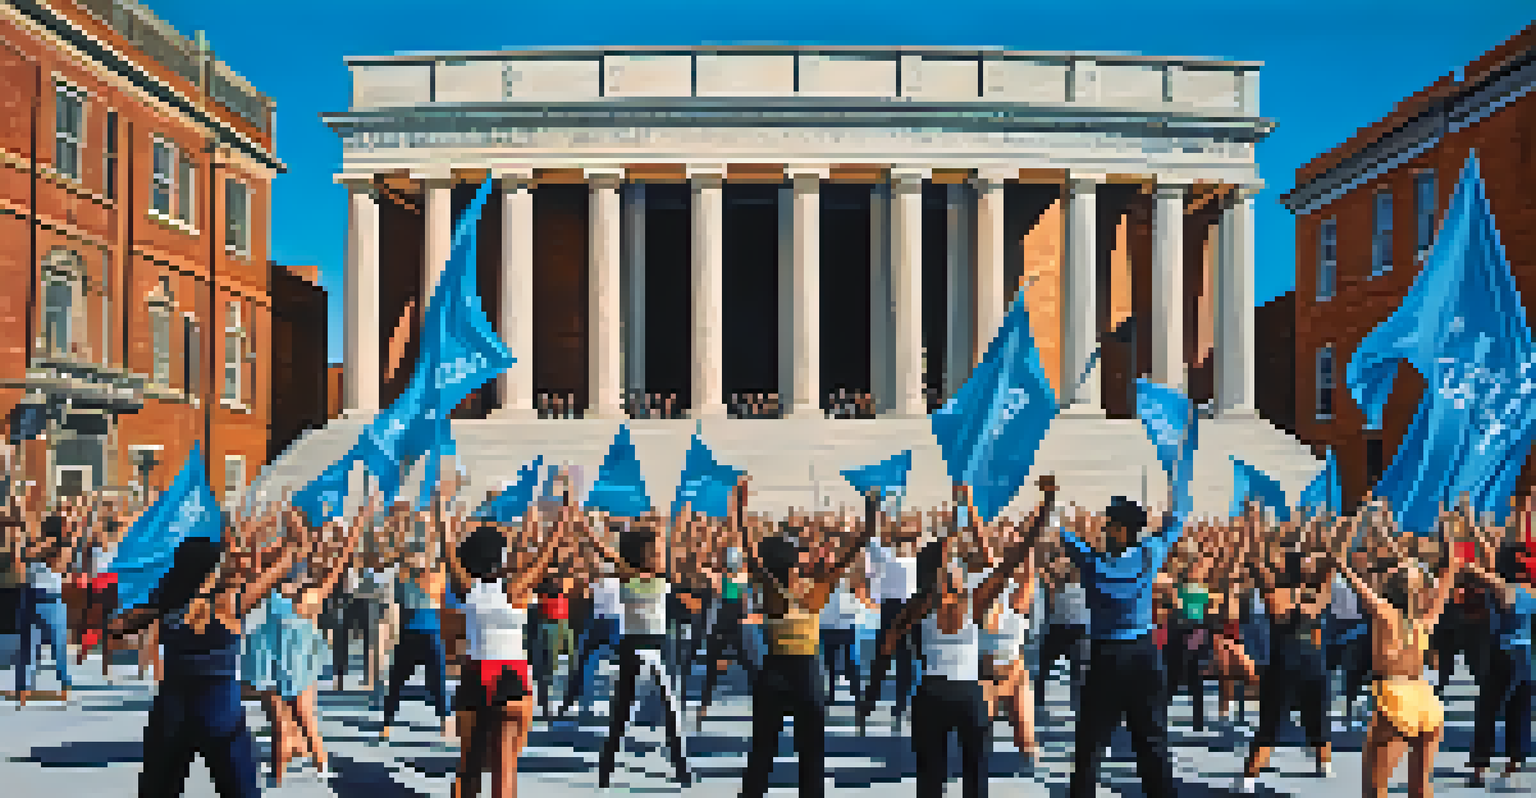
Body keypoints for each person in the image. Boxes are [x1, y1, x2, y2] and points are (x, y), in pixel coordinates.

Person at [109, 508, 323, 797]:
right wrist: (293, 534)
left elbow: (116, 628)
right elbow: (285, 563)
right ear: (212, 571)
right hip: (219, 711)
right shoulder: (230, 604)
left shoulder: (167, 602)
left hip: (171, 711)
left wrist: (157, 598)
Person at [867, 478, 1056, 798]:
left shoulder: (915, 607)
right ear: (943, 573)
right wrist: (1047, 502)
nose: (959, 567)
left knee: (930, 779)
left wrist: (871, 694)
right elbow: (1021, 550)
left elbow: (885, 647)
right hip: (969, 695)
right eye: (953, 565)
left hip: (930, 695)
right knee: (975, 777)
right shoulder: (975, 599)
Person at [739, 490, 878, 798]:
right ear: (791, 562)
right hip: (807, 675)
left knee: (762, 752)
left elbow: (749, 550)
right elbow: (858, 545)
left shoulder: (768, 587)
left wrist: (739, 507)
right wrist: (870, 511)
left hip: (773, 672)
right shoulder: (819, 588)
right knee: (812, 755)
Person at [1061, 481, 1192, 798]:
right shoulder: (1149, 554)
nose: (1105, 529)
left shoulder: (1092, 562)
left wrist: (1051, 500)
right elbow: (1176, 523)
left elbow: (1062, 534)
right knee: (1152, 743)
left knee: (1089, 746)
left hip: (1105, 658)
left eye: (1110, 524)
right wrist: (1177, 485)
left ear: (1123, 529)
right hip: (1143, 656)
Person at [1331, 513, 1457, 798]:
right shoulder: (1428, 617)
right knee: (1421, 788)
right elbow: (1450, 568)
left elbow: (1347, 571)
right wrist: (1447, 534)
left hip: (1394, 698)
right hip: (1426, 698)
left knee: (1375, 789)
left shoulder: (1384, 613)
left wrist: (1341, 544)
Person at [445, 504, 563, 798]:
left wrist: (441, 514)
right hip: (510, 674)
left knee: (468, 764)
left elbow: (446, 547)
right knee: (505, 768)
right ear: (500, 557)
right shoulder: (517, 588)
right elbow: (546, 553)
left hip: (474, 673)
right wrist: (563, 519)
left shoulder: (465, 587)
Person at [583, 511, 693, 788]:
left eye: (660, 551)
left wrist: (675, 527)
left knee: (671, 714)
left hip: (658, 648)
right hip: (632, 647)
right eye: (654, 552)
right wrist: (585, 529)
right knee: (620, 713)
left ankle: (681, 768)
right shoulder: (626, 574)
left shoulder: (662, 576)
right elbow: (606, 553)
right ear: (639, 555)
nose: (660, 555)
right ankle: (606, 769)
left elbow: (676, 546)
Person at [1238, 544, 1336, 792]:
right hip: (1305, 664)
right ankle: (1322, 764)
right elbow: (1330, 567)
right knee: (1312, 717)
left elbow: (1258, 570)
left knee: (1274, 722)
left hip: (1293, 664)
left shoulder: (1278, 593)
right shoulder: (1310, 594)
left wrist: (1252, 548)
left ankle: (1250, 777)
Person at [1463, 542, 1535, 785]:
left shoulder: (1504, 588)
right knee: (1519, 709)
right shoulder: (1531, 591)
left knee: (1487, 709)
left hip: (1504, 654)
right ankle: (1514, 763)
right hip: (1527, 657)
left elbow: (1474, 569)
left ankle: (1480, 766)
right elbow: (1489, 556)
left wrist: (1457, 554)